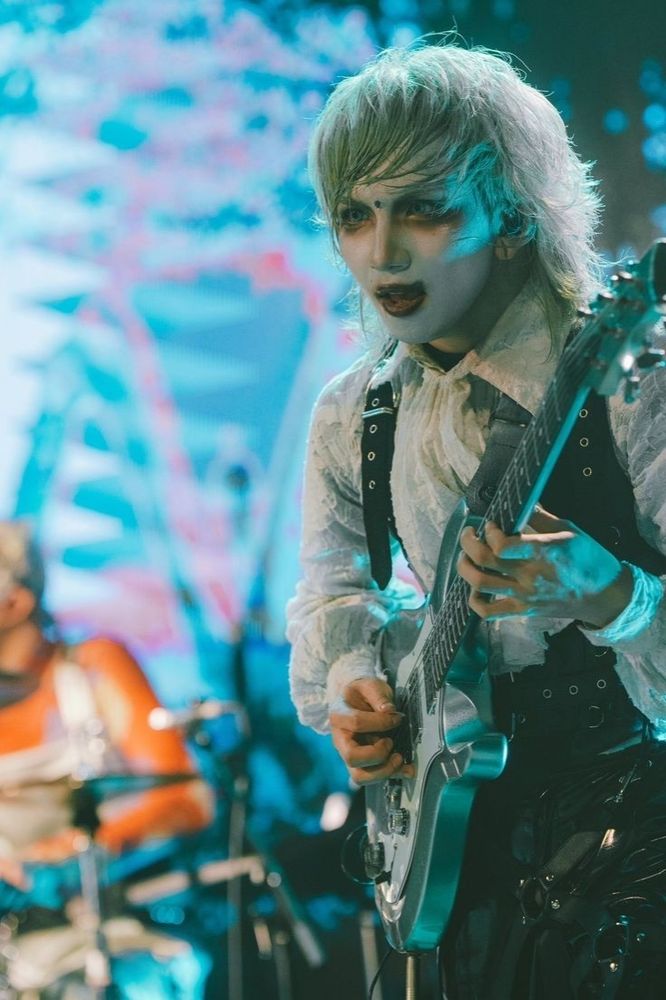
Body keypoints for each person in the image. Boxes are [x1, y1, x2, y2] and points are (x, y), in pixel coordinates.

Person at [286, 39, 666, 999]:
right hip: (467, 868)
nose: (382, 252)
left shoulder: (632, 375)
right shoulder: (355, 414)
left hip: (639, 844)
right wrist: (355, 687)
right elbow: (334, 593)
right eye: (355, 216)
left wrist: (615, 597)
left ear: (513, 216)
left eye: (424, 207)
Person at [0, 520, 214, 998]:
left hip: (114, 937)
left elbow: (188, 800)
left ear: (15, 602)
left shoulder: (91, 667)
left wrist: (82, 848)